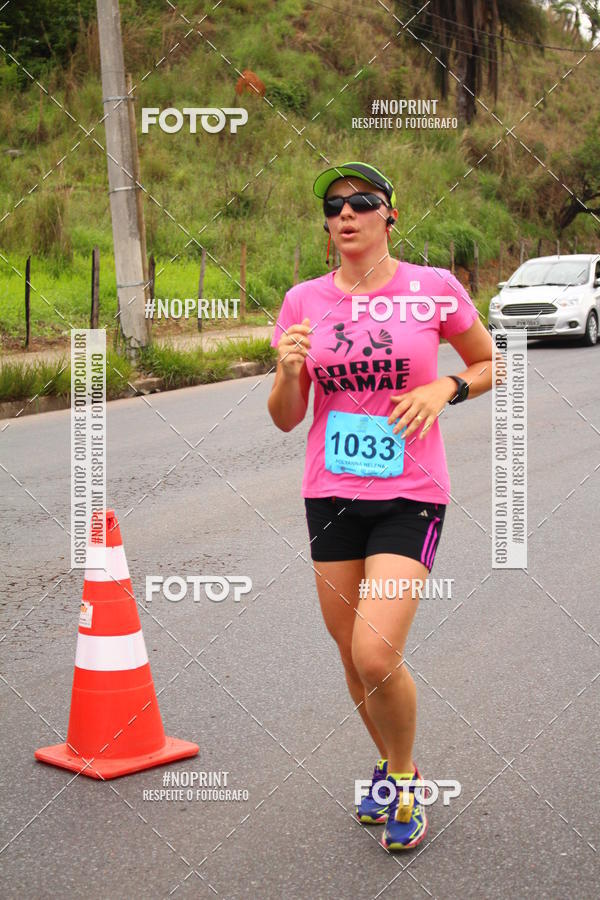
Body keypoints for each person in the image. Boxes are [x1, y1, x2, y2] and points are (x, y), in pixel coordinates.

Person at [267, 161, 493, 851]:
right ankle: (395, 769)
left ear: (391, 215)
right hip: (329, 493)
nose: (346, 214)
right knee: (347, 650)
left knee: (374, 653)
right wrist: (286, 371)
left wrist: (445, 389)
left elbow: (490, 363)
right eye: (334, 205)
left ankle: (402, 779)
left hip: (411, 494)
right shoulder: (302, 301)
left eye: (362, 202)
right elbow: (285, 418)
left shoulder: (433, 288)